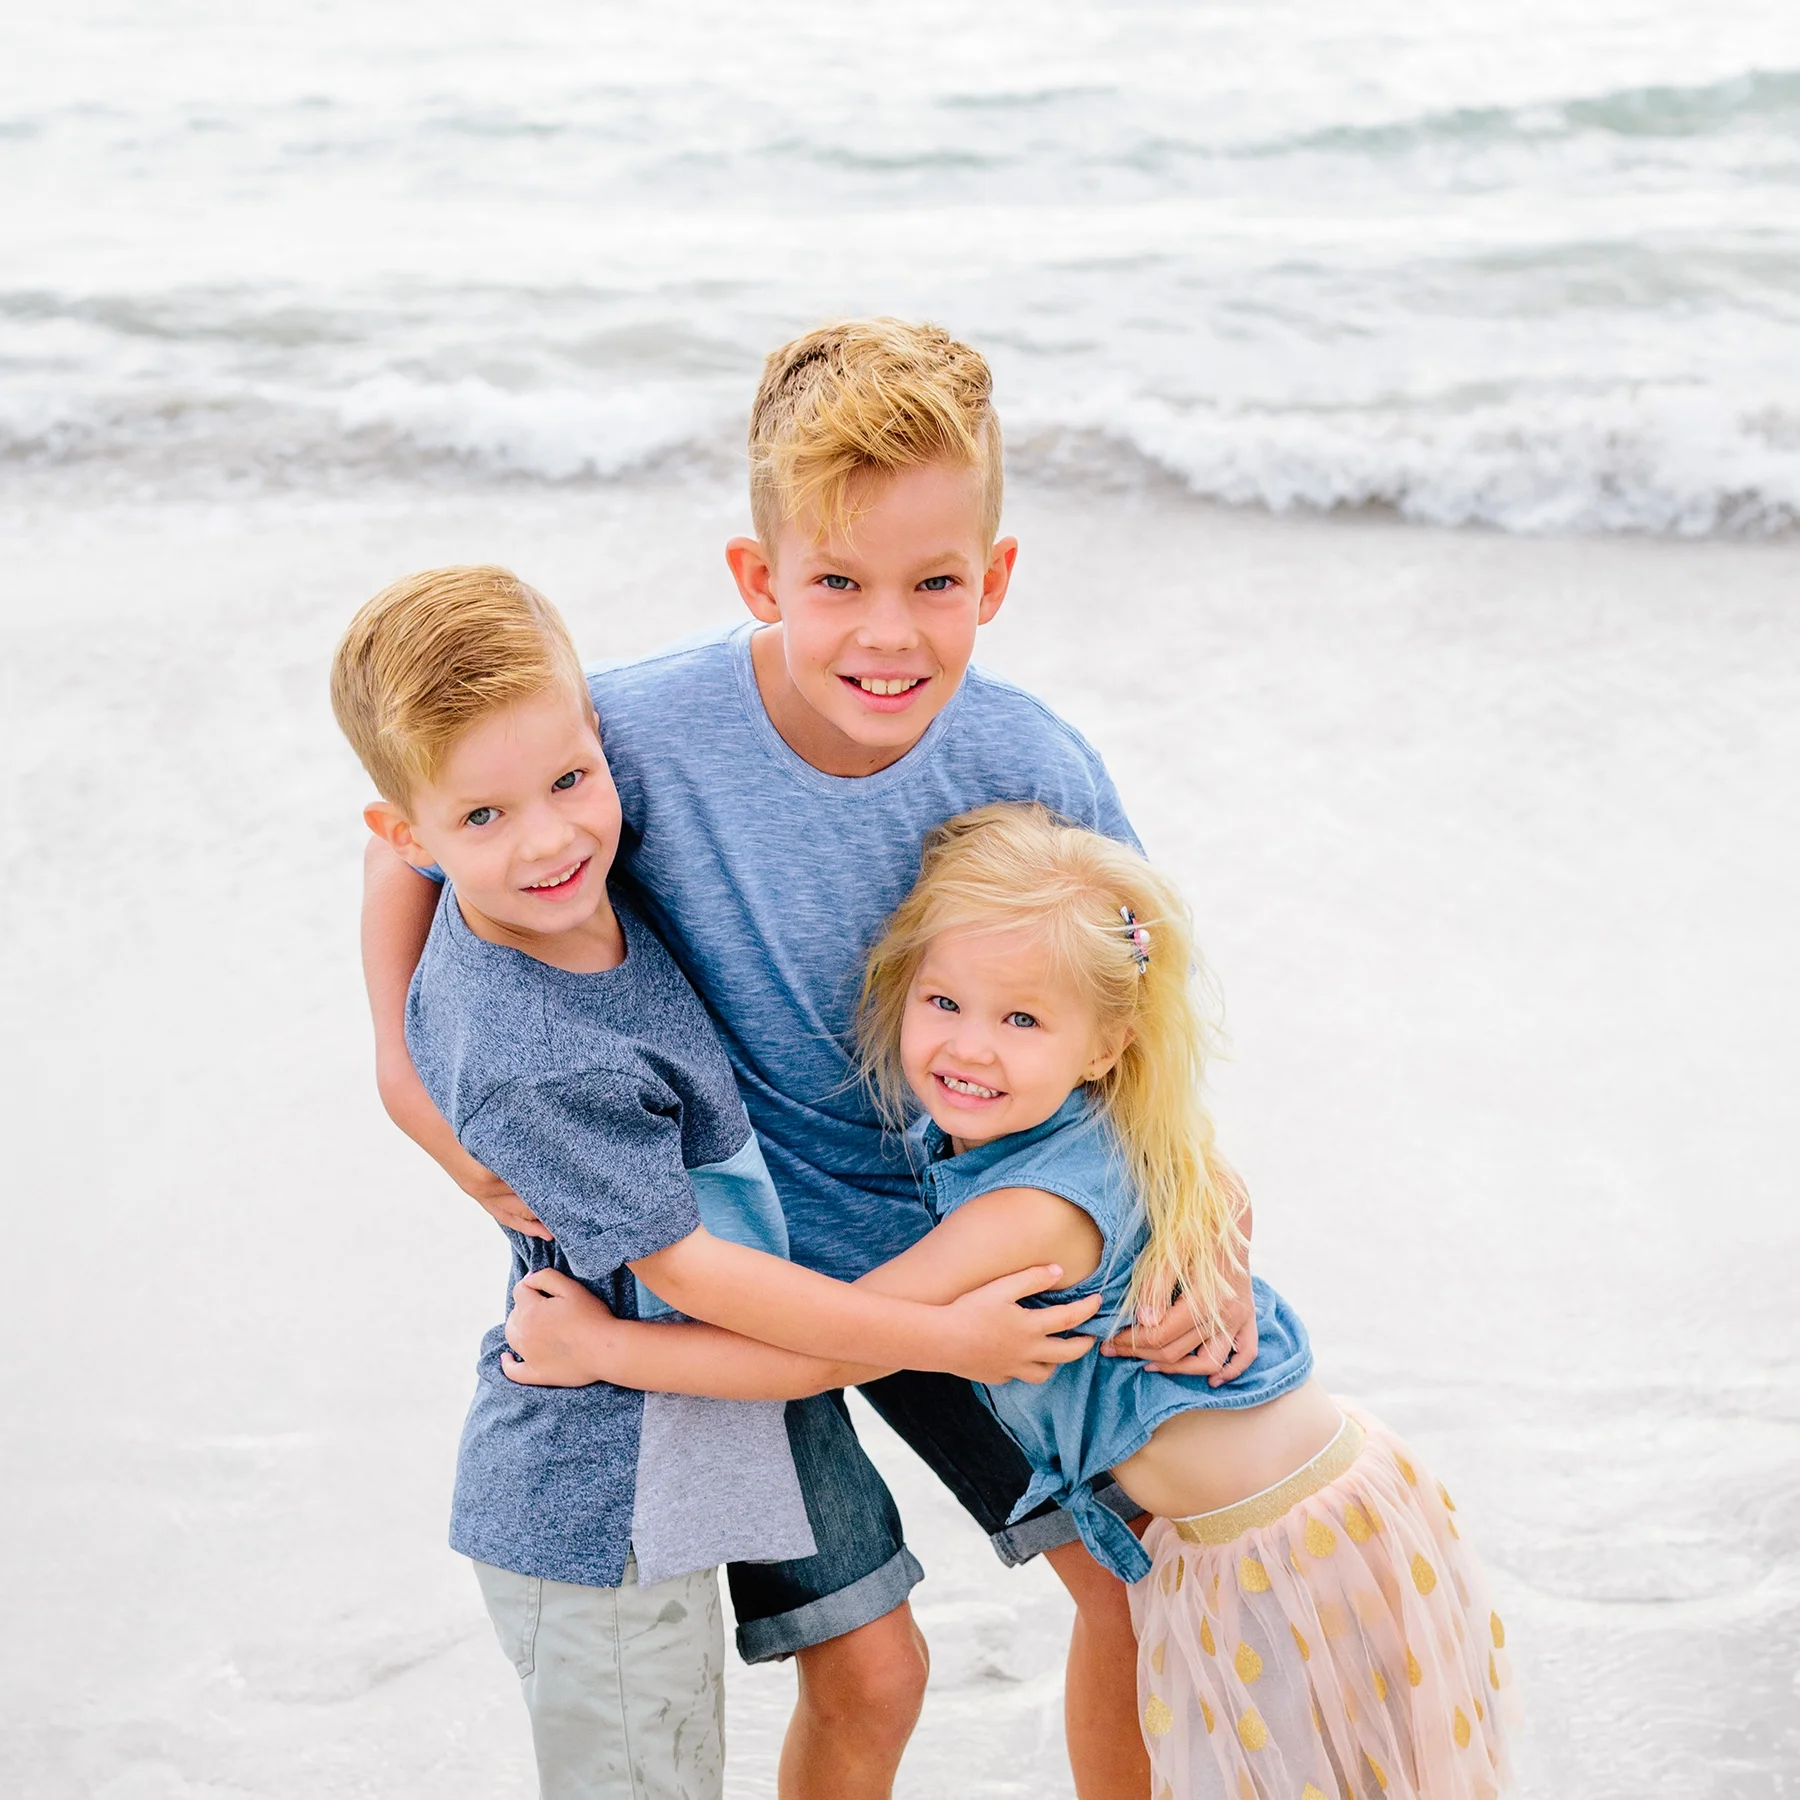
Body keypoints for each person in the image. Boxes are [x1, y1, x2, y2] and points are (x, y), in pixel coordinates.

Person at [361, 319, 1255, 1799]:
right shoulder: (633, 737)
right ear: (760, 578)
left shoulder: (1035, 768)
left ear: (998, 579)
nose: (884, 634)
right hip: (752, 1275)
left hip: (967, 1261)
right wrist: (401, 1074)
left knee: (1140, 1581)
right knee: (869, 1663)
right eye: (836, 583)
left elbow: (1135, 1028)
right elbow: (417, 834)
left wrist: (1209, 1222)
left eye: (934, 585)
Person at [506, 803, 1518, 1800]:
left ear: (1104, 1046)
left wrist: (600, 1348)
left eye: (1022, 1019)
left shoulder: (1028, 1207)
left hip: (1282, 1546)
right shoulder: (1101, 1128)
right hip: (1311, 1512)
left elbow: (821, 1355)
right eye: (943, 1002)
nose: (971, 1047)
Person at [330, 569, 1101, 1800]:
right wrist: (943, 1335)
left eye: (572, 784)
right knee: (667, 1754)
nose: (546, 837)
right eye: (486, 819)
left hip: (754, 1356)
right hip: (625, 1440)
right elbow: (689, 1275)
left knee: (802, 1697)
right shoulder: (534, 1046)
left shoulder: (572, 839)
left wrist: (389, 1065)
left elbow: (415, 839)